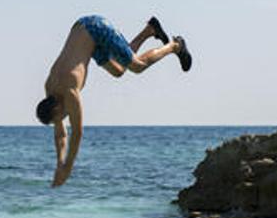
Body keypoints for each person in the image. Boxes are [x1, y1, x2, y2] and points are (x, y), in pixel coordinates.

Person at [36, 15, 192, 187]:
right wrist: (59, 164)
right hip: (82, 33)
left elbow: (77, 133)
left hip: (95, 28)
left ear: (57, 106)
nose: (62, 120)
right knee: (118, 70)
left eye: (61, 117)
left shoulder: (70, 90)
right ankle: (150, 30)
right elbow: (60, 134)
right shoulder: (50, 88)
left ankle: (175, 46)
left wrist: (68, 168)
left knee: (137, 65)